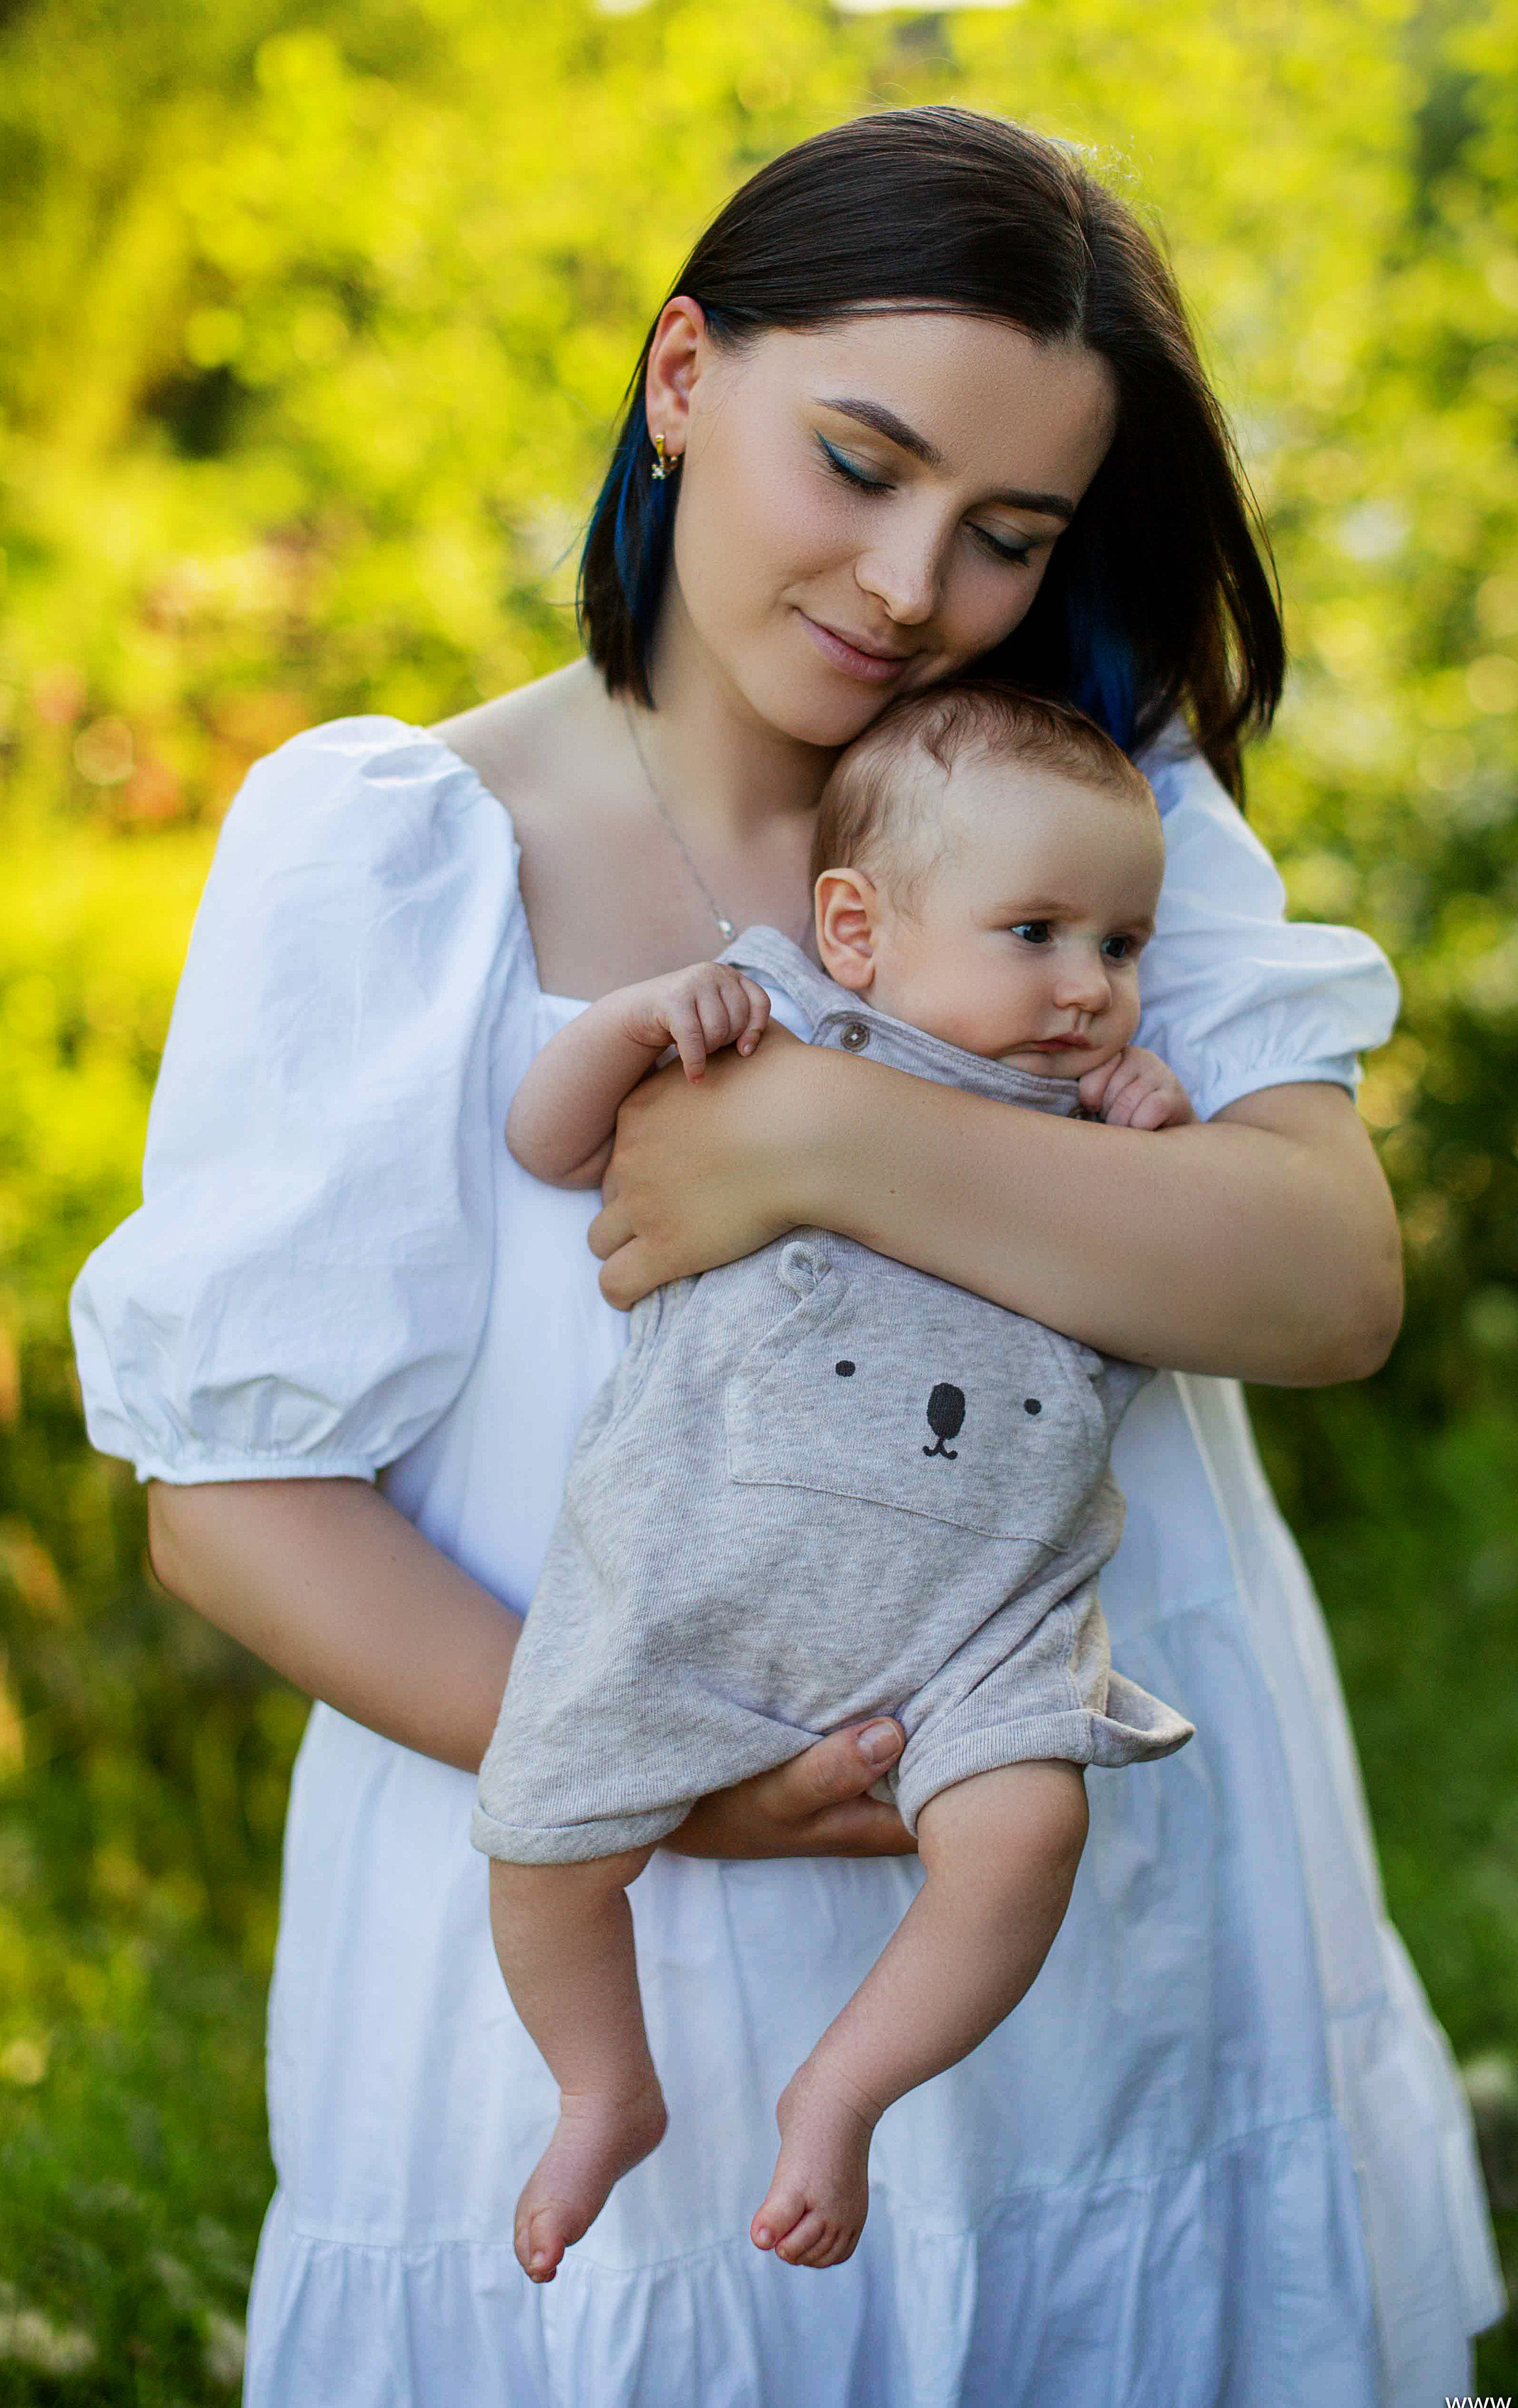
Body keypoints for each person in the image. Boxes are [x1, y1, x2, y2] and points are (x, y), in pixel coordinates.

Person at [70, 106, 1503, 2408]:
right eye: (858, 460)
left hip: (1089, 1952)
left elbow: (1321, 1284)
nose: (913, 581)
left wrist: (834, 1138)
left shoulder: (1094, 820)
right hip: (613, 1950)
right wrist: (667, 1781)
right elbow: (233, 1502)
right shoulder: (397, 851)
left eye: (1006, 532)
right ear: (678, 380)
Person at [477, 686, 1196, 2283]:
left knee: (1024, 1833)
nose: (1089, 987)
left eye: (1123, 946)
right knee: (536, 1844)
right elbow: (545, 1145)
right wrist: (628, 1026)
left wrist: (1165, 1136)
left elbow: (1184, 1281)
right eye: (1035, 933)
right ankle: (603, 2085)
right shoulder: (770, 1030)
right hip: (695, 1569)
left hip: (983, 1614)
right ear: (857, 929)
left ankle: (842, 2093)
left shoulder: (1095, 1127)